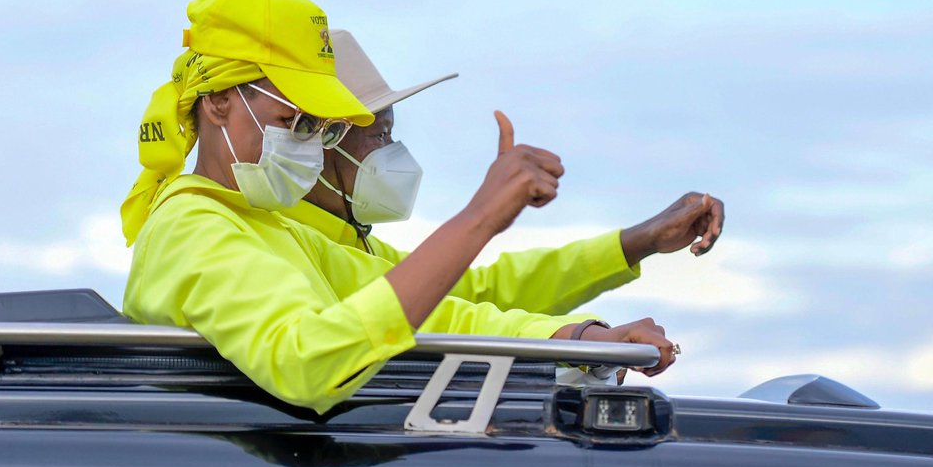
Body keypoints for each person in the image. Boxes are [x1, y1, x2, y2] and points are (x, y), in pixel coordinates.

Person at [120, 0, 689, 414]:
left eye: (321, 129)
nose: (310, 144)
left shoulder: (272, 228)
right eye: (293, 121)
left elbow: (449, 311)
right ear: (218, 102)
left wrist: (579, 340)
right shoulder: (192, 225)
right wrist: (482, 216)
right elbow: (307, 362)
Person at [284, 29, 726, 321]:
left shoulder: (355, 243)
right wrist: (580, 339)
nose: (393, 153)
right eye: (381, 137)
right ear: (322, 141)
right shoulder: (292, 245)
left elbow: (479, 293)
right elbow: (453, 318)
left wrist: (641, 239)